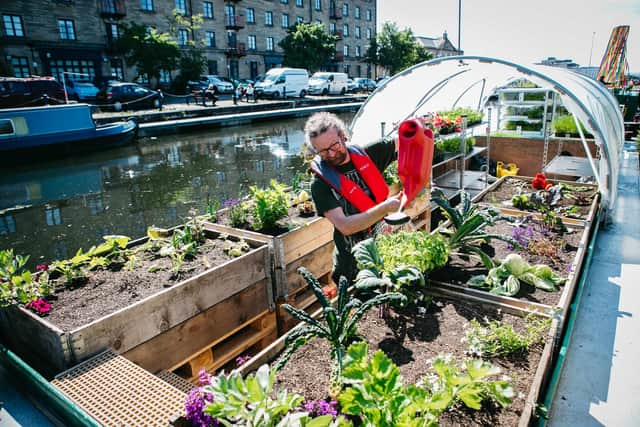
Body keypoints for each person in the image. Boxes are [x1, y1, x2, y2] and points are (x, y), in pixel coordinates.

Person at [304, 112, 400, 285]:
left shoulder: (369, 154)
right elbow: (346, 226)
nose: (331, 154)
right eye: (323, 151)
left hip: (386, 250)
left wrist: (418, 128)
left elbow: (404, 140)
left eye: (334, 145)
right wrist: (385, 208)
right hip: (352, 266)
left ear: (343, 136)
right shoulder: (320, 184)